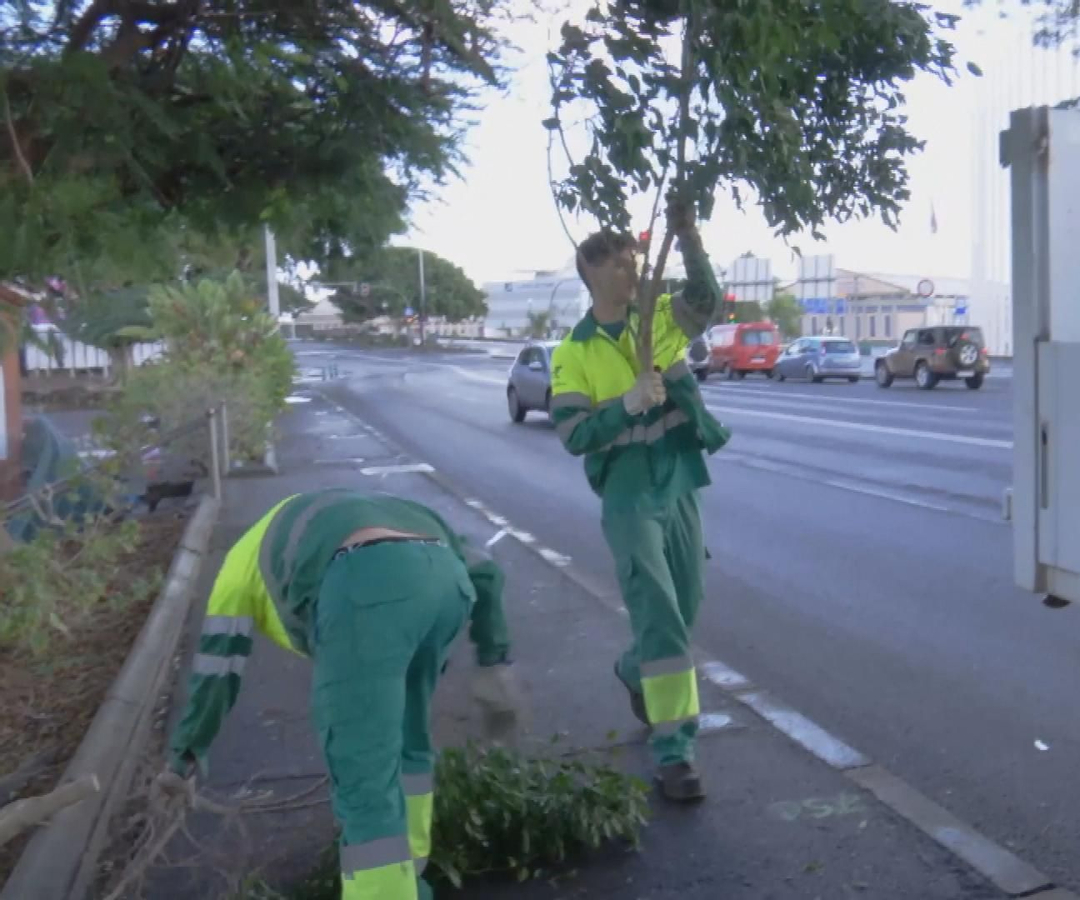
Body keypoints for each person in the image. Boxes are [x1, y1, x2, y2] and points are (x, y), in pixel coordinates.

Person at [160, 488, 518, 900]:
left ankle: (383, 892)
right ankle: (410, 878)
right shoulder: (386, 507)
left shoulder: (239, 564)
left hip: (364, 590)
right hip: (445, 586)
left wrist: (185, 755)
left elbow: (217, 670)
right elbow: (485, 570)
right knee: (408, 744)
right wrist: (495, 661)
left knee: (363, 776)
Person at [549, 198, 729, 801]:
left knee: (686, 605)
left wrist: (689, 236)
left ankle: (633, 669)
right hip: (627, 491)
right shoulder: (574, 351)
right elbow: (575, 434)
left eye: (636, 260)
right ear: (592, 272)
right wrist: (627, 401)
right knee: (660, 617)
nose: (634, 271)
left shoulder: (659, 320)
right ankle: (675, 751)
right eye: (623, 264)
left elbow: (708, 300)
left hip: (678, 478)